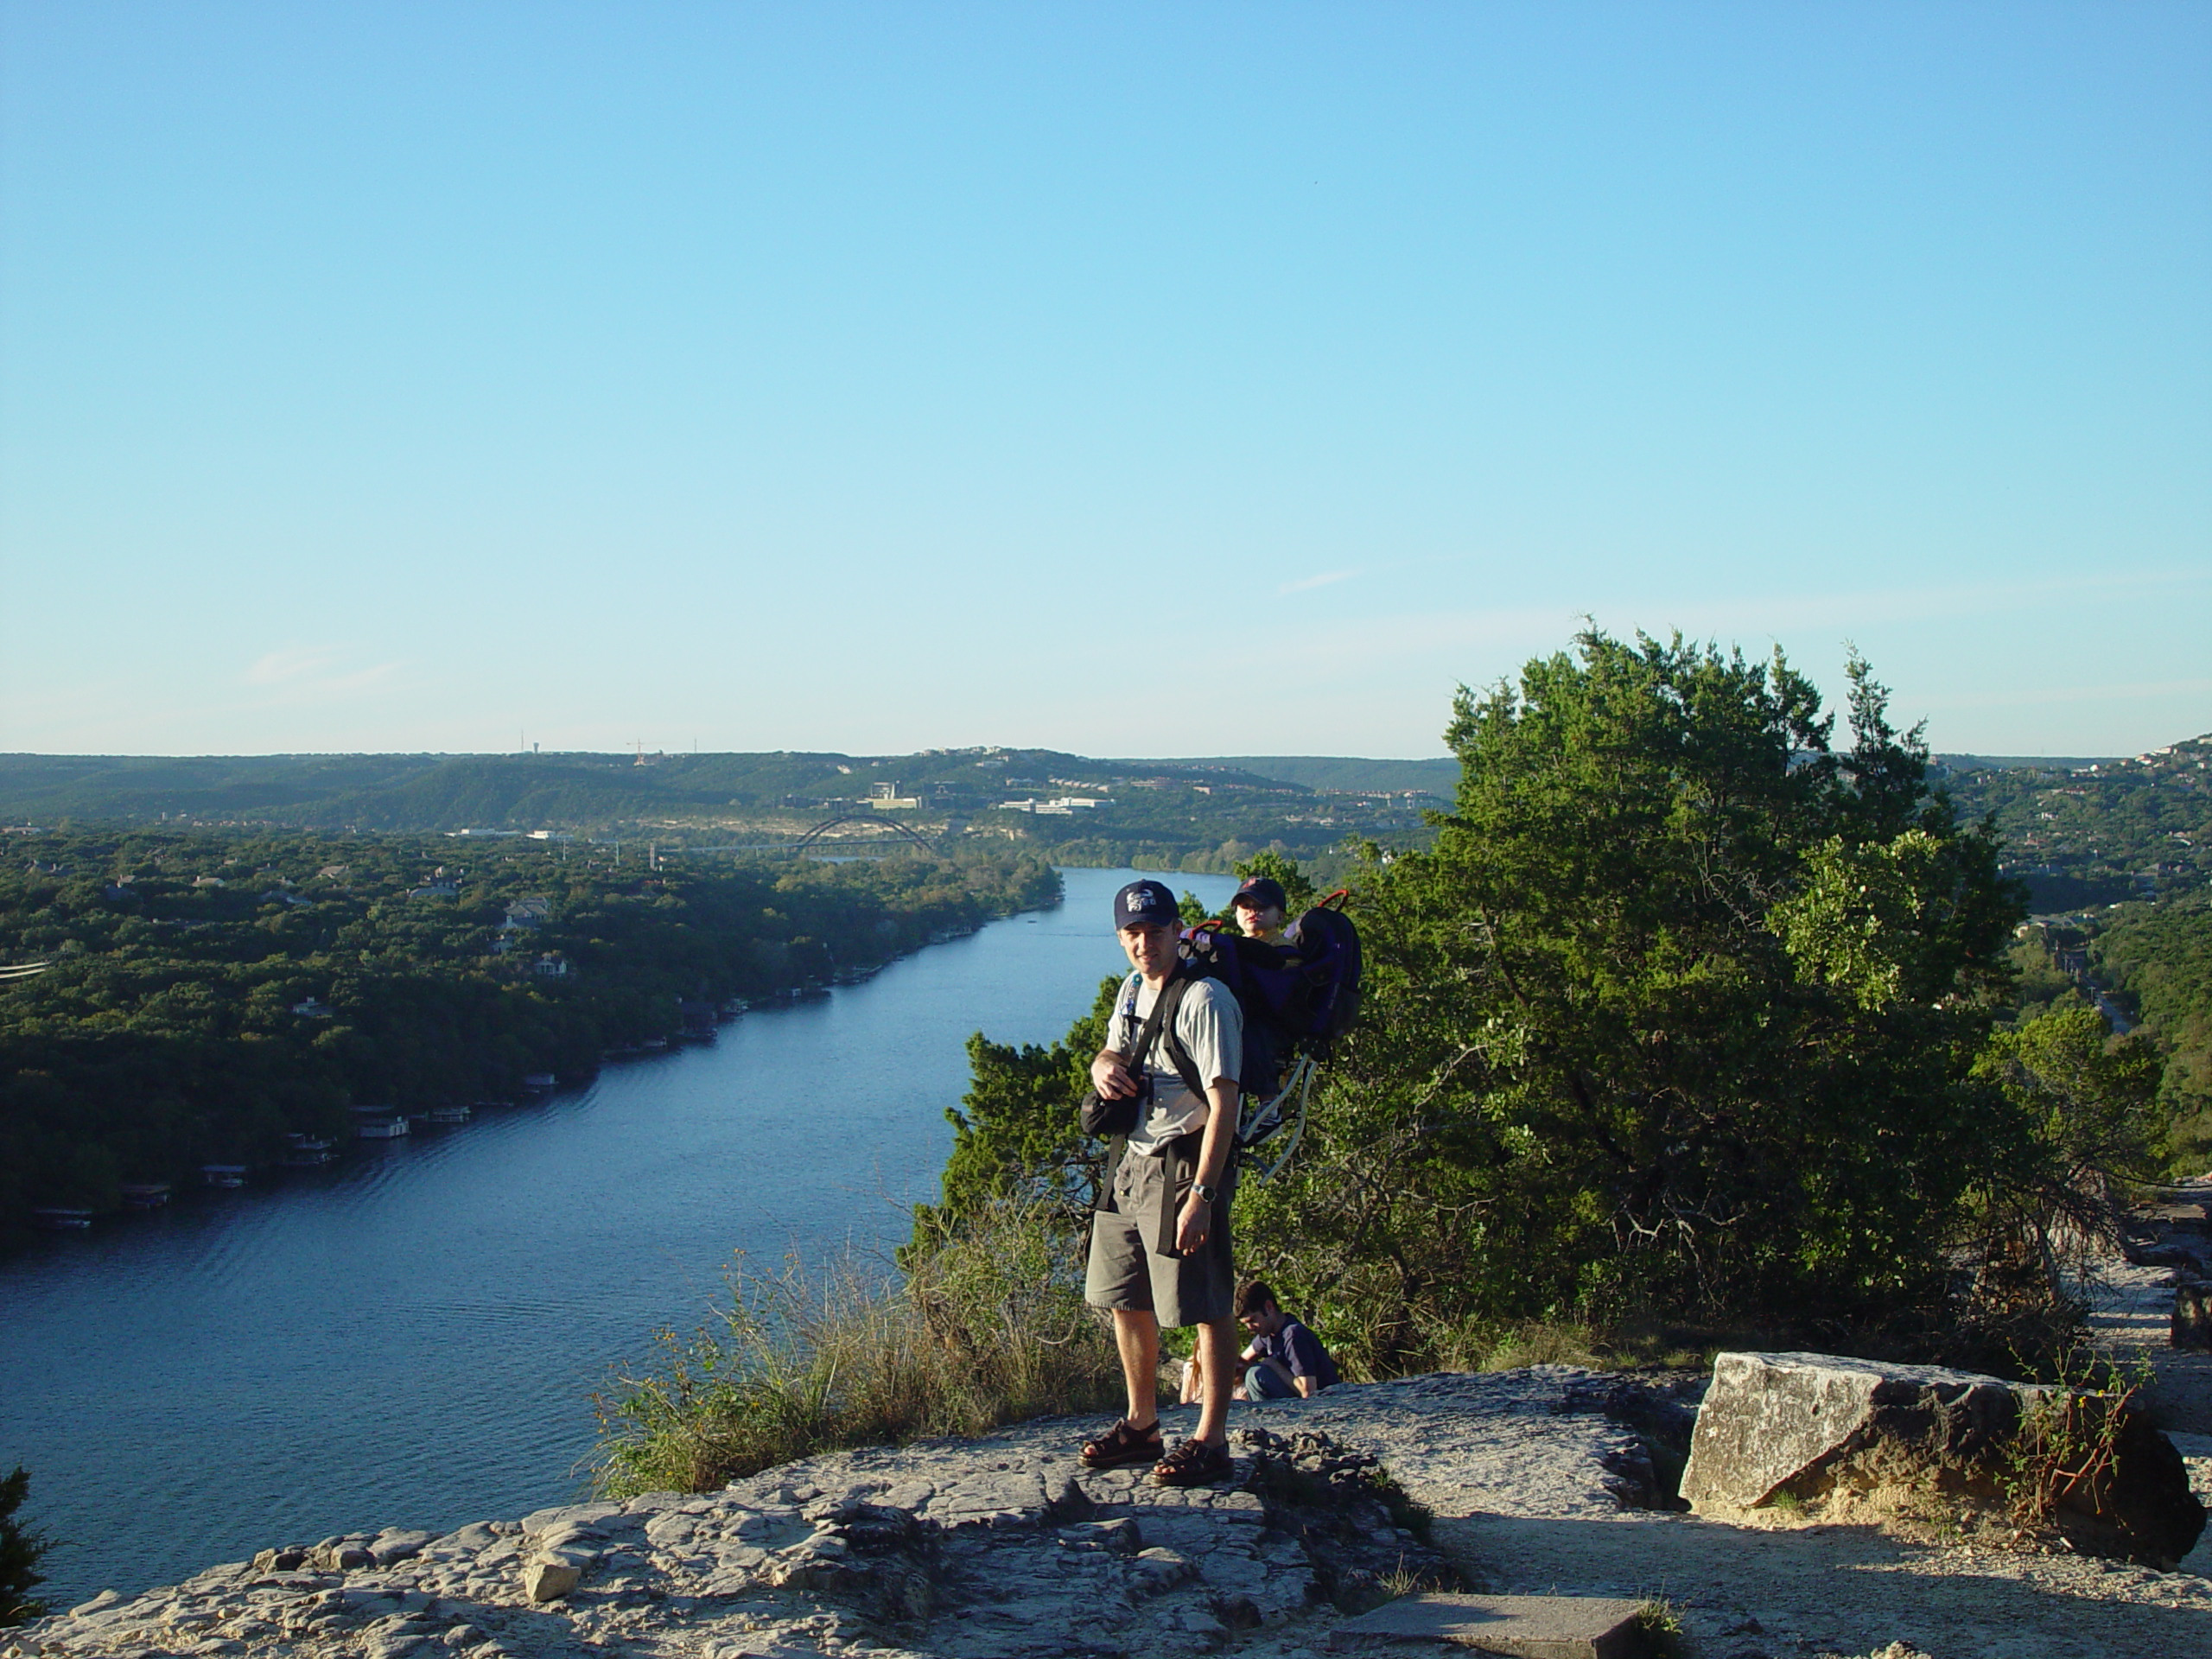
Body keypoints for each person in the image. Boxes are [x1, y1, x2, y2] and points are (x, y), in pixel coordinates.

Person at [1080, 878, 1243, 1486]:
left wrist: (1203, 1194)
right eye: (1133, 933)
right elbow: (1113, 1051)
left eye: (1155, 931)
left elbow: (1226, 1102)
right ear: (1122, 937)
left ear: (1179, 930)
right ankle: (1142, 1425)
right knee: (1125, 1296)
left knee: (1203, 1301)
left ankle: (1211, 1439)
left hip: (1185, 1164)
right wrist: (1102, 1066)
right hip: (1132, 1162)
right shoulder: (1131, 990)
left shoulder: (1205, 1000)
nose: (1144, 943)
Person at [1231, 1280, 1338, 1399]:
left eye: (1253, 1320)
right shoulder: (1267, 1334)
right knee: (1248, 1374)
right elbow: (1239, 1363)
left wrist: (1272, 1364)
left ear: (1269, 1307)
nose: (1250, 1328)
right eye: (1245, 1324)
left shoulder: (1293, 1335)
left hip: (1322, 1402)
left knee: (1256, 1375)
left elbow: (1309, 1391)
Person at [1230, 874, 1291, 944]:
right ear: (1236, 914)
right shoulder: (1230, 948)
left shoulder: (1284, 950)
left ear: (1280, 916)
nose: (1252, 910)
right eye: (1245, 906)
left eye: (1261, 906)